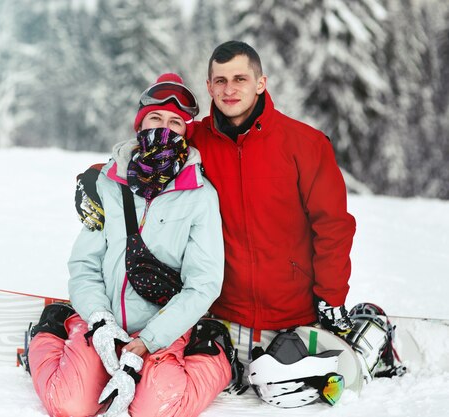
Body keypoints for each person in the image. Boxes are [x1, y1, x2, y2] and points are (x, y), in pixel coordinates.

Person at [75, 41, 357, 370]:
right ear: (209, 86)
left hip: (293, 314)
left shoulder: (306, 145)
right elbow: (147, 141)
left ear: (261, 83)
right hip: (222, 317)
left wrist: (331, 297)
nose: (229, 89)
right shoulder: (195, 140)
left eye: (240, 79)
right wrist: (95, 178)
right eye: (220, 81)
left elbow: (334, 227)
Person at [25, 73, 239, 417]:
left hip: (161, 332)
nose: (164, 129)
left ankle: (211, 350)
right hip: (105, 322)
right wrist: (99, 322)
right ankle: (51, 329)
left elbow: (204, 283)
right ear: (140, 125)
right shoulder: (108, 184)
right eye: (155, 118)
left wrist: (148, 341)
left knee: (156, 411)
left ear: (186, 131)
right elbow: (85, 266)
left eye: (175, 122)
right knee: (69, 406)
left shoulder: (200, 197)